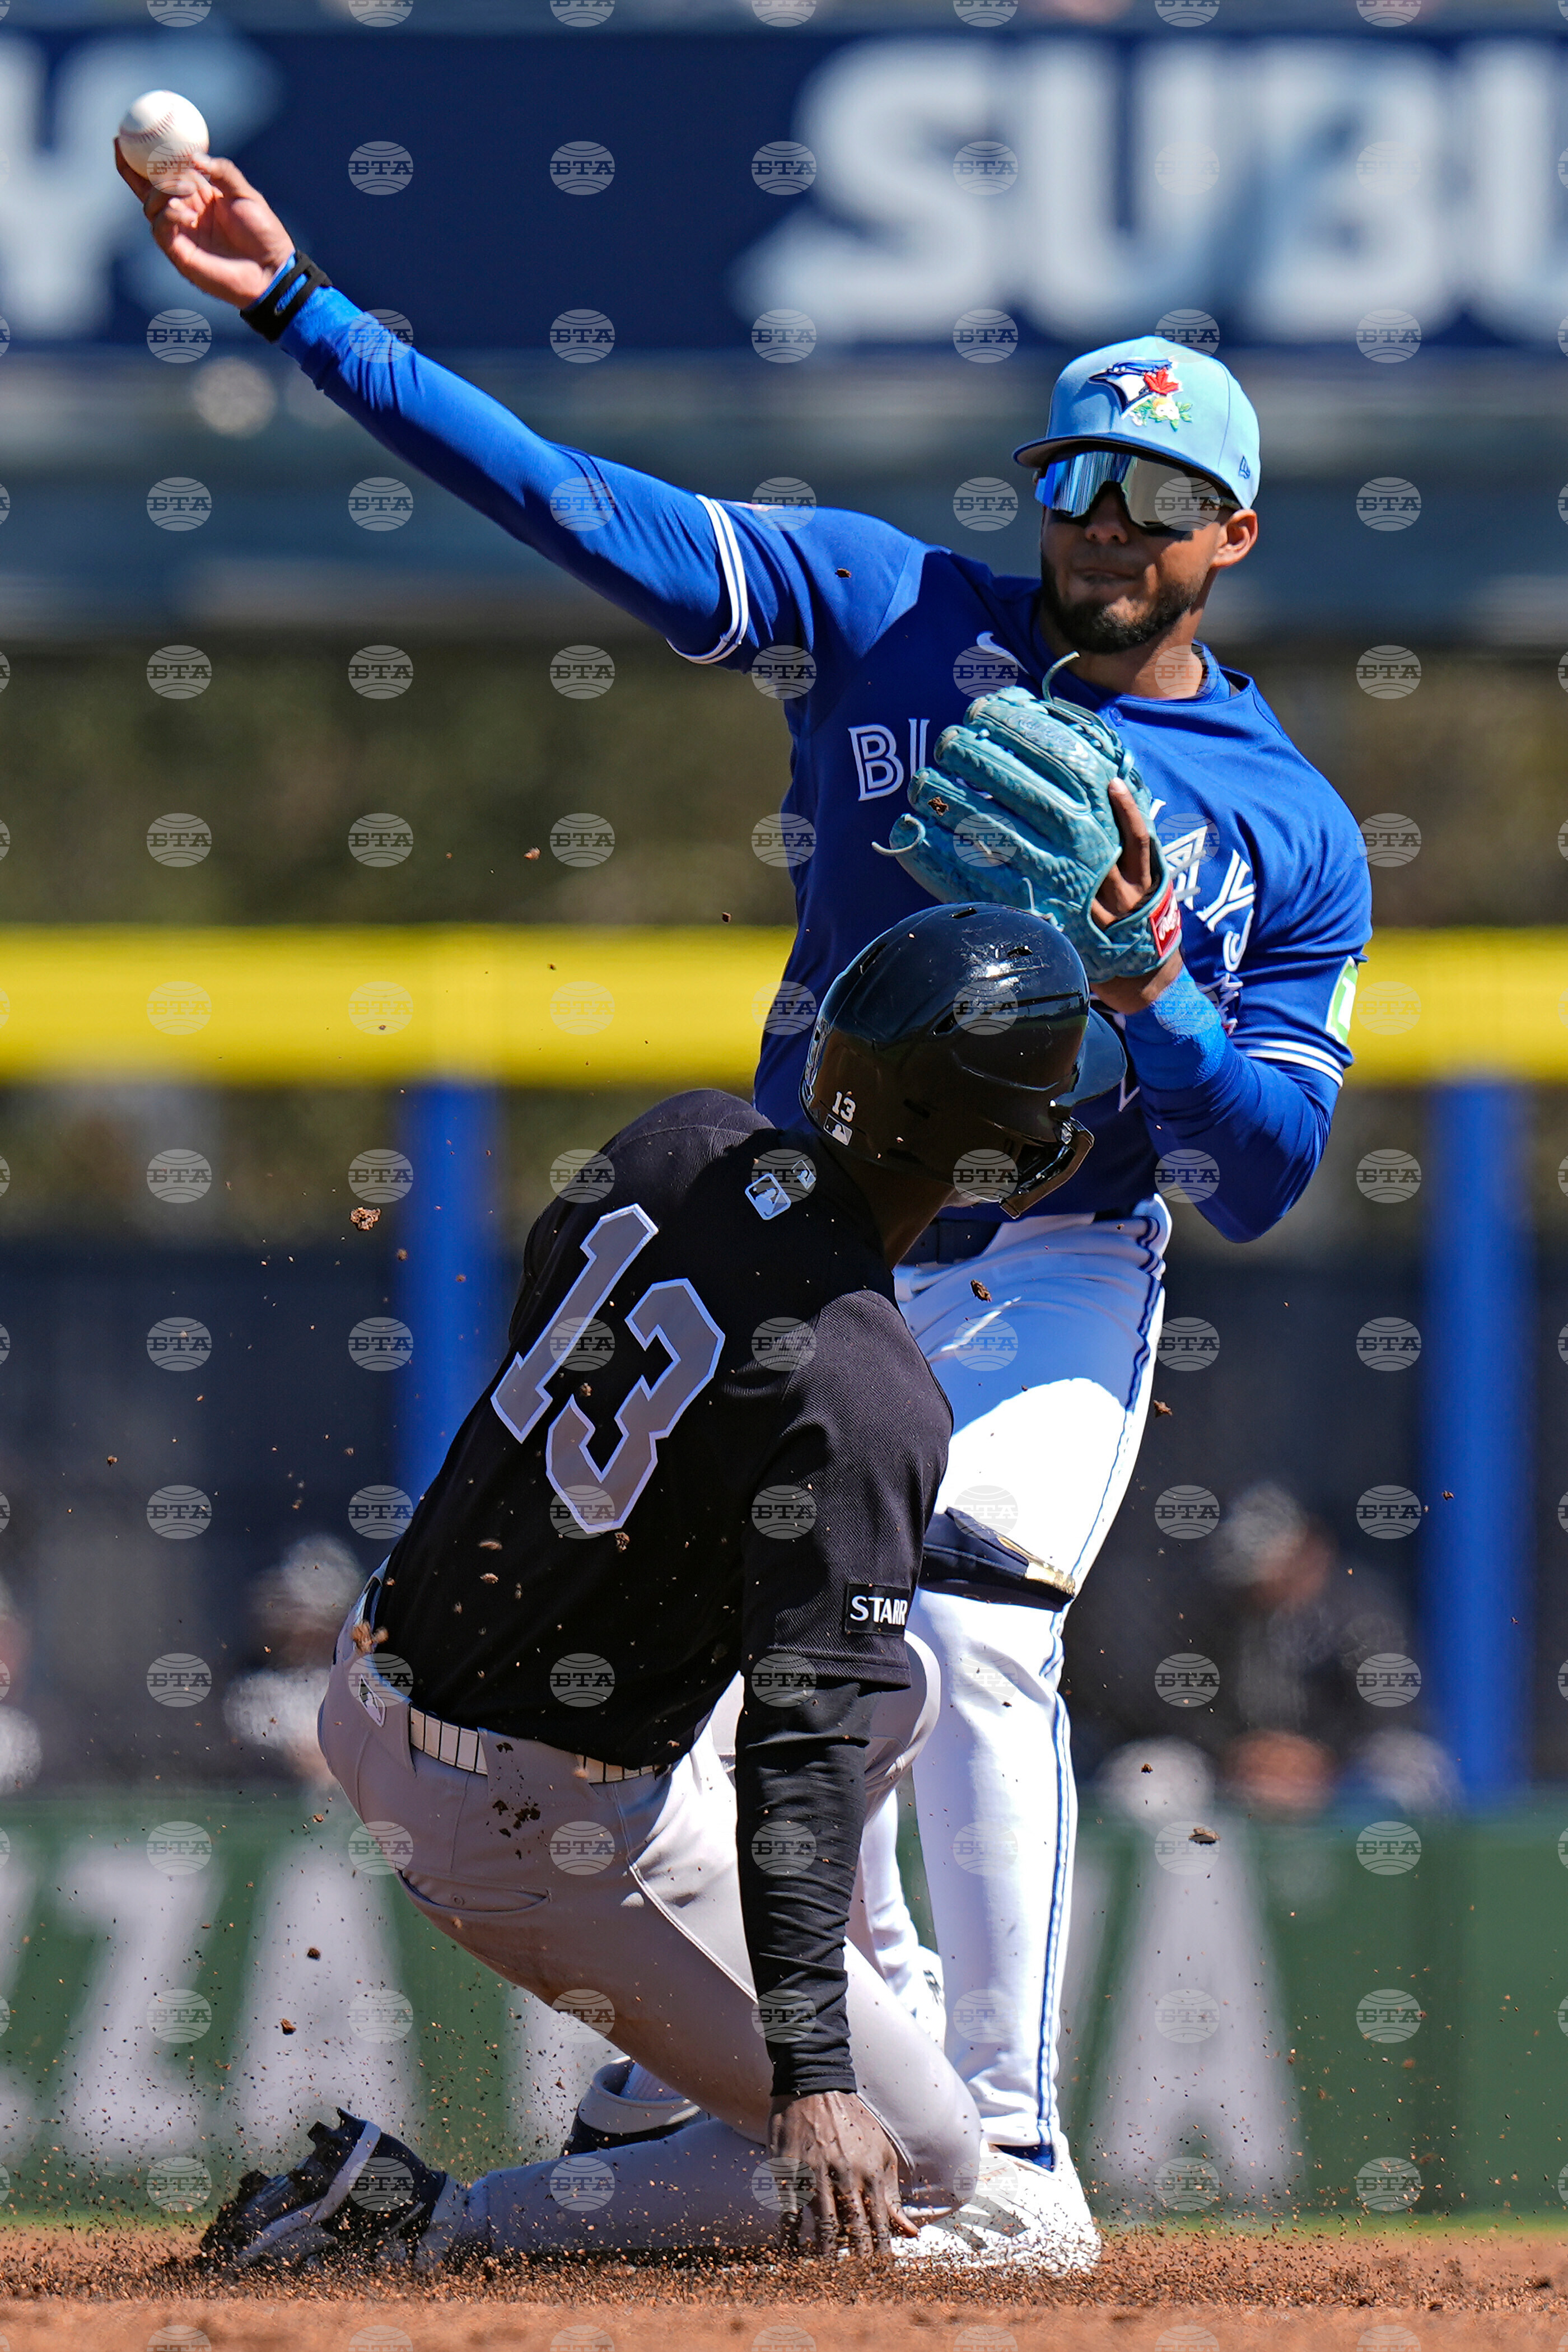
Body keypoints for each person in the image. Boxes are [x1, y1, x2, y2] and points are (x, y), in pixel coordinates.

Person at [121, 147, 1371, 2249]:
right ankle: (755, 2076)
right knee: (772, 1650)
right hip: (838, 1222)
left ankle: (1017, 2145)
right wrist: (296, 308)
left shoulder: (1292, 825)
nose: (1108, 524)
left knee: (971, 1628)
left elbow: (1261, 1173)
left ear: (1234, 537)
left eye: (1162, 500)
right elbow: (568, 498)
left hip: (1064, 1251)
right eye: (1080, 477)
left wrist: (1155, 981)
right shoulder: (893, 612)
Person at [194, 906, 1124, 2276]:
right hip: (527, 1821)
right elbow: (801, 1752)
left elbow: (552, 1320)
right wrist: (814, 2076)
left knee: (902, 1688)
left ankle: (663, 2080)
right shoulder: (869, 1394)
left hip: (379, 1675)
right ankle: (424, 2225)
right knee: (933, 2170)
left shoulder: (678, 1141)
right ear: (995, 1152)